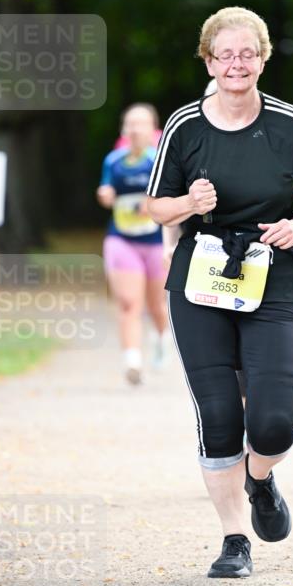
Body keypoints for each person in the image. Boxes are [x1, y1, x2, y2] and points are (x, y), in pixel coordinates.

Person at [146, 6, 293, 579]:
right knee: (220, 412)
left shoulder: (289, 124)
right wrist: (190, 205)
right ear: (208, 60)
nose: (236, 63)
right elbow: (155, 208)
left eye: (247, 53)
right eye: (225, 54)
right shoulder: (184, 127)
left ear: (263, 59)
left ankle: (259, 477)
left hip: (273, 271)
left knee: (274, 422)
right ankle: (233, 539)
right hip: (201, 275)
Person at [97, 103, 171, 385]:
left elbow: (173, 196)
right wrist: (105, 194)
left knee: (156, 305)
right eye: (130, 124)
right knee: (129, 303)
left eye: (141, 124)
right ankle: (132, 361)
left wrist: (151, 205)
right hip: (121, 238)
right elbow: (107, 190)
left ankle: (162, 337)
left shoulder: (159, 160)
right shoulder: (113, 160)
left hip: (155, 241)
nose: (135, 129)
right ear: (123, 129)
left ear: (153, 130)